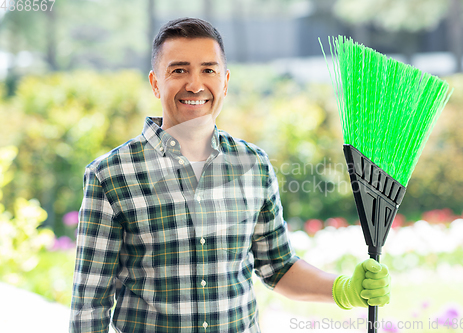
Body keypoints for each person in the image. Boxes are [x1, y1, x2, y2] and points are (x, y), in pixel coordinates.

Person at [69, 17, 391, 333]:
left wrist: (344, 290)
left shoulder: (254, 165)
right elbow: (90, 305)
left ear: (224, 81)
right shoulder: (110, 175)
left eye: (208, 70)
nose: (195, 85)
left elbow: (277, 267)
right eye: (179, 70)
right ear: (155, 83)